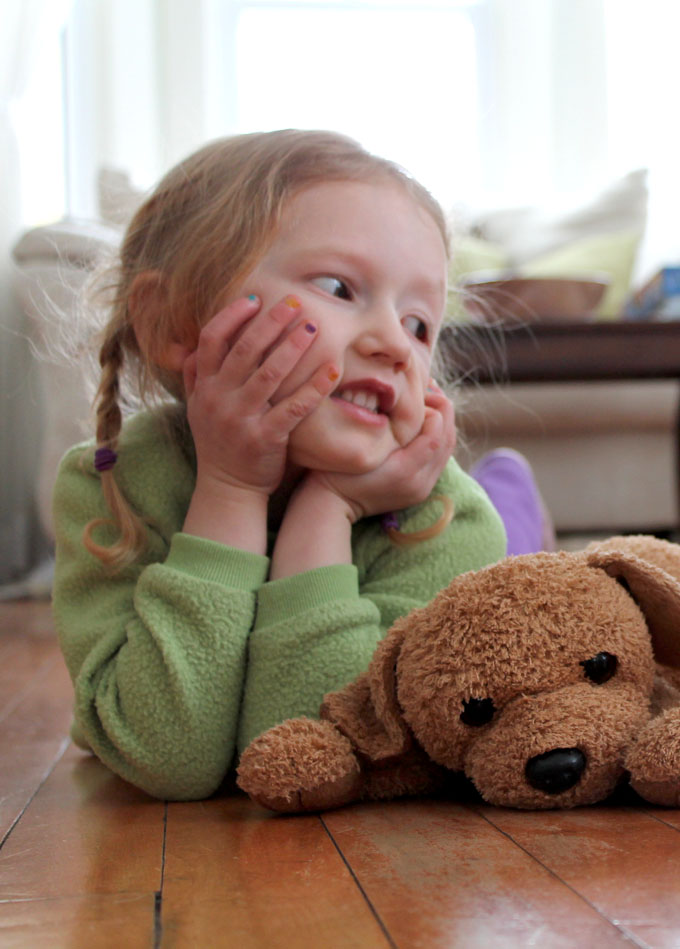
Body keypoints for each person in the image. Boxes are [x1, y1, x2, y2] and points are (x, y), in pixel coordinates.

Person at [51, 129, 547, 801]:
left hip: (482, 538)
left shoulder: (444, 519)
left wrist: (329, 507)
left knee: (518, 558)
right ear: (170, 322)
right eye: (340, 287)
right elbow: (166, 755)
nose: (394, 344)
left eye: (419, 324)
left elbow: (318, 749)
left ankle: (512, 494)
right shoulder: (109, 486)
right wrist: (230, 489)